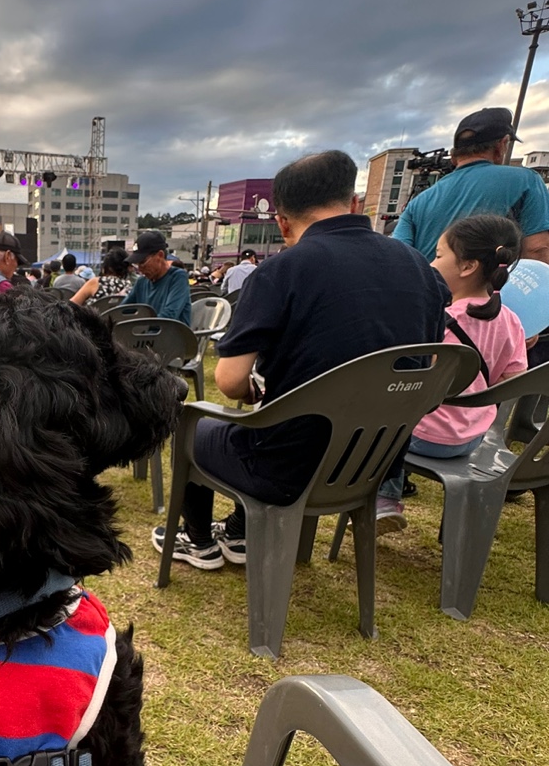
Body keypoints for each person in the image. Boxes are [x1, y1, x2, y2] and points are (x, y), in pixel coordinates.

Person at [154, 150, 450, 570]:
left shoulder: (282, 271)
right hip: (375, 464)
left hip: (287, 469)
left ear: (282, 221)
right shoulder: (420, 269)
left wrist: (261, 384)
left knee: (196, 424)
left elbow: (232, 380)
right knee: (272, 426)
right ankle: (240, 533)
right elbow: (429, 370)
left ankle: (197, 540)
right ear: (354, 204)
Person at [375, 214, 528, 528]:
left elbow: (416, 382)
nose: (432, 263)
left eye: (439, 255)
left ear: (467, 266)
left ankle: (385, 497)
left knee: (379, 423)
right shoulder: (511, 321)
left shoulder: (438, 317)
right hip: (473, 438)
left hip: (423, 436)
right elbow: (512, 378)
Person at [393, 107, 549, 263]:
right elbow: (536, 250)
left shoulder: (418, 202)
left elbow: (398, 256)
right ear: (502, 144)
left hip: (426, 286)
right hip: (493, 287)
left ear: (455, 155)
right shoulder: (527, 181)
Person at [119, 230, 192, 325]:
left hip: (172, 336)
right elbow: (122, 311)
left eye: (143, 262)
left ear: (160, 255)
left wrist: (143, 329)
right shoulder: (141, 282)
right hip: (144, 337)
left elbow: (170, 315)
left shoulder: (178, 277)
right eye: (137, 264)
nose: (140, 269)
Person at [70, 247, 135, 306]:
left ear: (109, 268)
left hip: (94, 318)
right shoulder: (130, 287)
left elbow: (71, 305)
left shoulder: (96, 282)